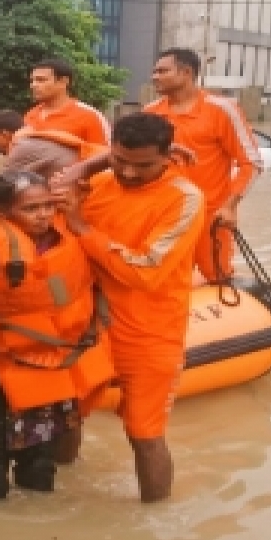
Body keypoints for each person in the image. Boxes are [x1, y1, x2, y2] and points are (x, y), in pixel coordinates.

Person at [60, 113, 205, 503]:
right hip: (88, 326)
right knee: (66, 418)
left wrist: (83, 228)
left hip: (150, 334)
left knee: (145, 435)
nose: (130, 172)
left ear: (167, 158)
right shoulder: (98, 183)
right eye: (121, 160)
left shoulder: (185, 198)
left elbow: (146, 272)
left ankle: (155, 522)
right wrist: (94, 167)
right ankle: (57, 502)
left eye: (143, 165)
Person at [0, 171, 114, 501]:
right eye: (30, 209)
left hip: (50, 366)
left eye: (47, 206)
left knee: (39, 469)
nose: (42, 215)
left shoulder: (67, 231)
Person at [144, 48, 262, 280]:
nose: (154, 76)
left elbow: (251, 164)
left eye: (162, 71)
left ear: (186, 72)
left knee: (216, 276)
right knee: (164, 278)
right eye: (154, 71)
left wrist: (230, 206)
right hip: (165, 215)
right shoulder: (150, 113)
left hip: (211, 214)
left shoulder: (221, 109)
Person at [24, 59, 110, 146]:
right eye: (32, 81)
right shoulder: (31, 114)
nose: (33, 85)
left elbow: (103, 154)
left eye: (41, 80)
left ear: (63, 81)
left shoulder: (90, 116)